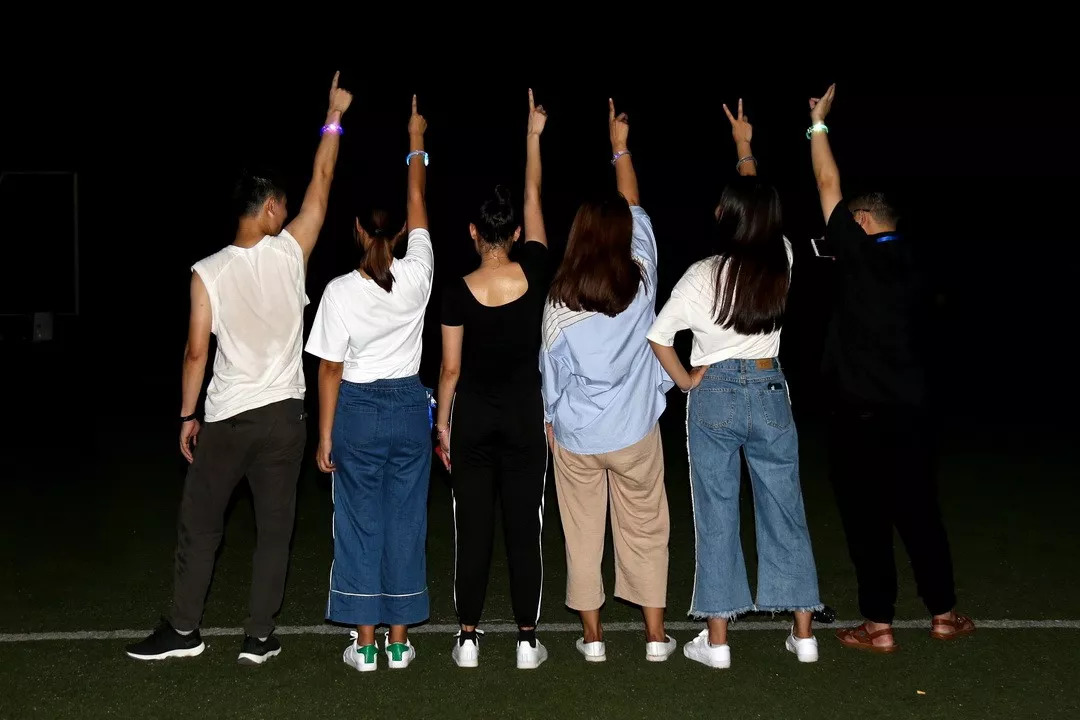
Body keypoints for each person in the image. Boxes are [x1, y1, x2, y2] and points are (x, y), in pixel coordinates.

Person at [126, 72, 353, 664]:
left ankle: (184, 631)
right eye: (284, 205)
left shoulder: (207, 272)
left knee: (201, 525)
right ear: (271, 208)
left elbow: (195, 353)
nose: (289, 211)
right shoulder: (291, 253)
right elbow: (323, 181)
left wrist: (187, 416)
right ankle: (259, 637)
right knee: (274, 531)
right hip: (285, 420)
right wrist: (333, 118)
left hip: (229, 418)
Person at [647, 100, 822, 669]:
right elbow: (759, 206)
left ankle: (718, 641)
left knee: (716, 511)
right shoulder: (783, 260)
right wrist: (745, 147)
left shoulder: (702, 275)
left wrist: (686, 380)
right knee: (786, 506)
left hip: (716, 394)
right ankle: (804, 634)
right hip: (770, 390)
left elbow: (659, 337)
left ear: (726, 216)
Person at [807, 84, 974, 652]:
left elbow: (827, 183)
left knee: (867, 521)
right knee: (921, 513)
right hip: (913, 413)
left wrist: (818, 123)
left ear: (862, 221)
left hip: (857, 416)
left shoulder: (858, 257)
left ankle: (878, 626)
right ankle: (943, 614)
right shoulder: (923, 263)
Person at [540, 98, 676, 664]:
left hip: (577, 437)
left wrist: (550, 420)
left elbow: (551, 379)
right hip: (635, 431)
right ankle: (655, 638)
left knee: (581, 535)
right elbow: (635, 205)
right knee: (646, 529)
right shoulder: (641, 281)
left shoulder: (558, 302)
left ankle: (593, 639)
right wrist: (620, 146)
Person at [305, 96, 433, 672]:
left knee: (360, 523)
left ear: (357, 230)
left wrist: (324, 434)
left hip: (357, 410)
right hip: (408, 408)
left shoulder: (338, 292)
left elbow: (329, 368)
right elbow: (418, 199)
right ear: (402, 231)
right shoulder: (419, 274)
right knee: (406, 521)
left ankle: (365, 644)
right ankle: (399, 642)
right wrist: (416, 139)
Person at [435, 89, 549, 670]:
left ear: (474, 232)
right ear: (516, 233)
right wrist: (533, 137)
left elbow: (450, 369)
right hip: (525, 419)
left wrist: (441, 426)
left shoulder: (456, 291)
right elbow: (533, 196)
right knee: (524, 529)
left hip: (475, 420)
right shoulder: (536, 269)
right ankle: (527, 640)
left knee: (473, 530)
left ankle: (468, 638)